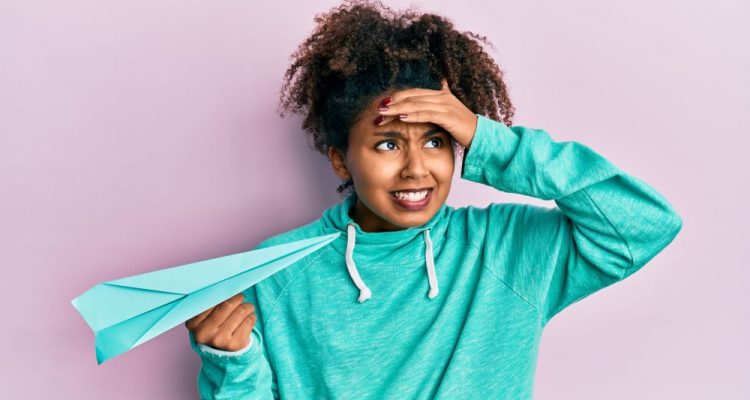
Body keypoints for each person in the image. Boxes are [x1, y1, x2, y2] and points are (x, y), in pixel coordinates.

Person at [184, 1, 683, 398]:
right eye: (387, 143)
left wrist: (490, 140)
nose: (416, 167)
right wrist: (233, 365)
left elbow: (644, 224)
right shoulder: (275, 274)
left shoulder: (503, 249)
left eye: (436, 140)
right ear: (340, 160)